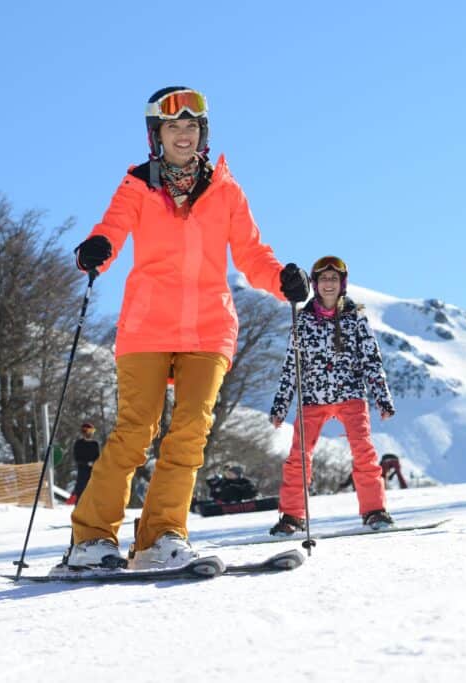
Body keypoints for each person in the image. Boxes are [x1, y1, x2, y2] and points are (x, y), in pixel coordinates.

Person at [65, 87, 309, 570]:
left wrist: (282, 280)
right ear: (156, 135)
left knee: (191, 431)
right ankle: (91, 539)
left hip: (209, 326)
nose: (184, 134)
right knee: (135, 433)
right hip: (146, 327)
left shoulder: (226, 190)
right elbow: (110, 231)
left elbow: (252, 255)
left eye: (192, 126)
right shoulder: (137, 184)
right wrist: (95, 251)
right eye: (173, 126)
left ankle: (162, 536)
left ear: (203, 133)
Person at [269, 255, 396, 535]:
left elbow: (371, 360)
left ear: (342, 284)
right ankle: (292, 516)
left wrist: (382, 398)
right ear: (315, 284)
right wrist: (280, 406)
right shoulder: (302, 320)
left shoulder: (356, 317)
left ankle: (374, 510)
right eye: (324, 279)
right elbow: (293, 364)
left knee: (363, 452)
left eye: (334, 279)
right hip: (313, 397)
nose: (329, 284)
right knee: (299, 457)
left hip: (350, 393)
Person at [67, 423, 101, 505]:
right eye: (89, 431)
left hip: (94, 473)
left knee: (94, 493)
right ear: (84, 432)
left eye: (92, 432)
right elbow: (77, 458)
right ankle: (79, 511)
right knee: (80, 492)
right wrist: (87, 463)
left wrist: (95, 464)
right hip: (82, 473)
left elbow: (98, 457)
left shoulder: (95, 444)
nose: (91, 434)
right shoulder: (78, 444)